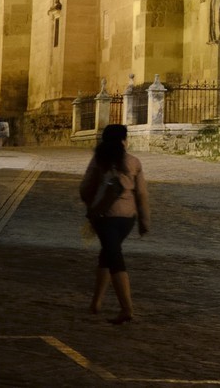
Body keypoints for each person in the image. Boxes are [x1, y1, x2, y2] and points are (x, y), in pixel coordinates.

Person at [79, 123, 150, 324]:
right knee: (108, 254)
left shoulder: (100, 160)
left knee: (114, 257)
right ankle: (96, 302)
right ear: (123, 140)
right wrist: (144, 220)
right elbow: (142, 194)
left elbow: (85, 188)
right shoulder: (134, 162)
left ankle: (126, 308)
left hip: (105, 217)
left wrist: (91, 207)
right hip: (128, 219)